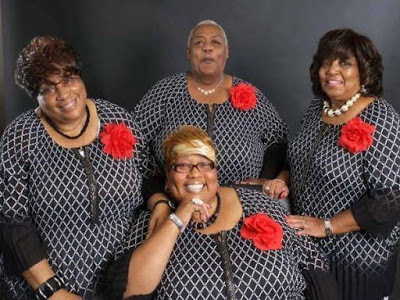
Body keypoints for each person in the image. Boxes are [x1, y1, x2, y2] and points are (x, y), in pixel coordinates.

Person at [106, 126, 339, 300]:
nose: (195, 174)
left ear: (216, 173)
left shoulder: (258, 203)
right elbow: (127, 290)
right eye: (182, 166)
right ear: (167, 178)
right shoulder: (154, 222)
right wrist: (178, 219)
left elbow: (312, 262)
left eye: (205, 164)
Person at [0, 36, 151, 299]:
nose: (63, 95)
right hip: (51, 285)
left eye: (68, 80)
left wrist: (160, 204)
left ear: (80, 78)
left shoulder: (118, 118)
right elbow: (14, 221)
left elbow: (150, 178)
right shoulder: (19, 138)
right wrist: (51, 290)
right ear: (35, 96)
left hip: (126, 278)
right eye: (48, 88)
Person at [284, 29, 400, 300]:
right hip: (309, 254)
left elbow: (391, 200)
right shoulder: (318, 107)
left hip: (356, 263)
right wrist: (282, 177)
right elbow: (300, 158)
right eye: (326, 62)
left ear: (366, 73)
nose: (332, 70)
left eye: (344, 62)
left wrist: (327, 226)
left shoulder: (381, 118)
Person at [135, 20, 289, 200]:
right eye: (199, 43)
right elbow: (133, 140)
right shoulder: (165, 93)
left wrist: (266, 179)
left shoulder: (250, 94)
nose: (207, 48)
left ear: (226, 52)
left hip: (243, 204)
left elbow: (278, 141)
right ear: (188, 52)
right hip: (176, 202)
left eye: (215, 42)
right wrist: (160, 184)